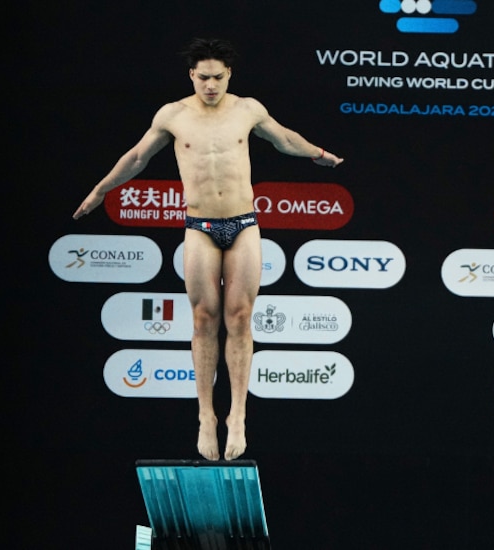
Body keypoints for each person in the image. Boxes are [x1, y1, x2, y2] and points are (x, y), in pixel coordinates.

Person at [73, 38, 343, 461]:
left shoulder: (247, 109)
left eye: (218, 77)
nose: (211, 85)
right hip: (200, 226)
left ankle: (237, 415)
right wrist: (99, 190)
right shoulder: (173, 115)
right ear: (191, 76)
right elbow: (138, 157)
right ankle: (205, 416)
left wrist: (318, 154)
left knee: (240, 317)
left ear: (229, 75)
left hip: (243, 223)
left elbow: (285, 139)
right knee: (203, 319)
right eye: (203, 78)